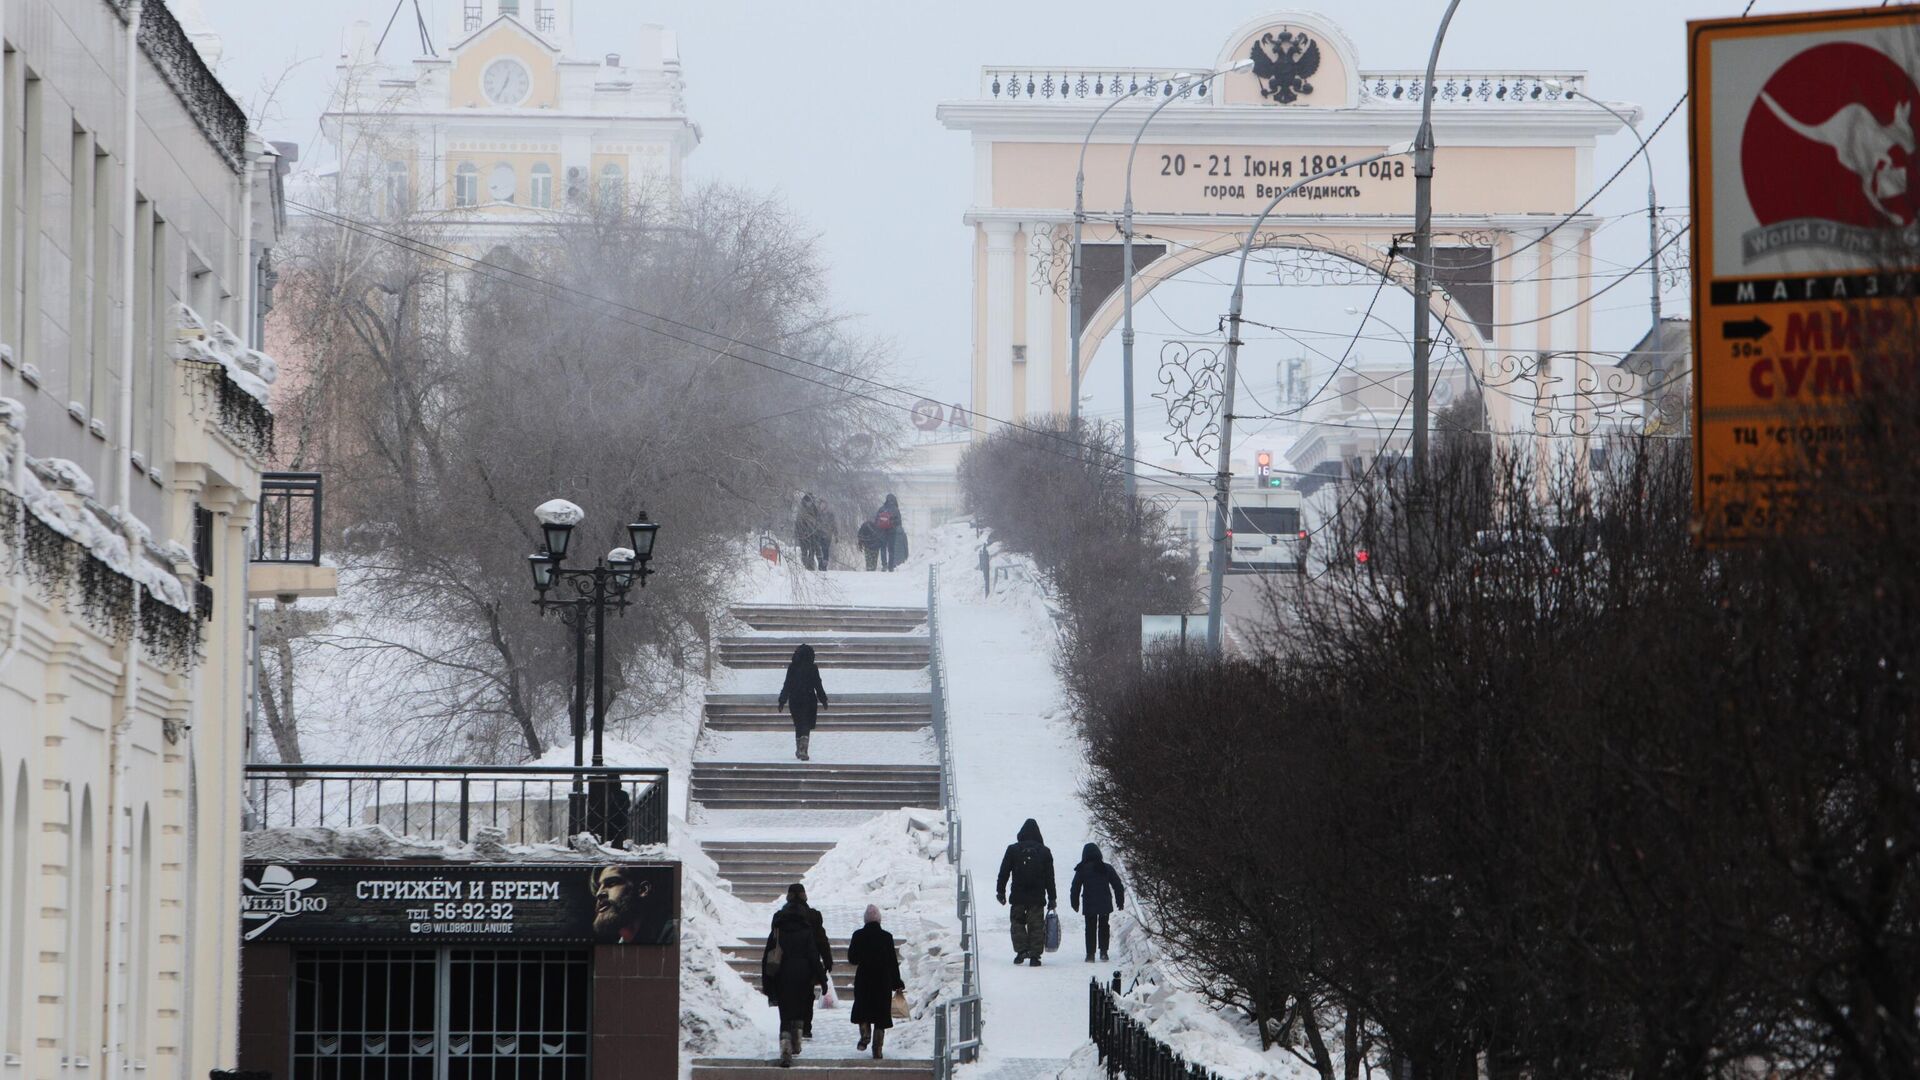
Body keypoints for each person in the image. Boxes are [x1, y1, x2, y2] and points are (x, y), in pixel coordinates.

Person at [762, 884, 829, 1067]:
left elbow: (768, 952)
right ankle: (797, 1039)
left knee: (785, 1013)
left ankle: (785, 1046)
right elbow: (814, 956)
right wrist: (822, 978)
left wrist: (766, 981)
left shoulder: (778, 926)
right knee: (800, 1007)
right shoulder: (807, 930)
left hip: (782, 972)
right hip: (803, 974)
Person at [847, 903, 905, 1059]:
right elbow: (892, 962)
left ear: (865, 920)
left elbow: (852, 958)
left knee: (863, 1008)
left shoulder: (858, 935)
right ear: (879, 920)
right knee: (881, 1014)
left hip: (864, 978)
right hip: (882, 980)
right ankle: (877, 1049)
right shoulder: (886, 937)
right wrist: (897, 982)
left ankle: (865, 1034)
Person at [995, 818, 1056, 966]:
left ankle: (1021, 952)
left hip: (1018, 895)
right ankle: (1035, 956)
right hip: (1037, 896)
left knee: (1017, 923)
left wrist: (1000, 891)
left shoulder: (1013, 849)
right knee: (1036, 925)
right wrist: (1052, 898)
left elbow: (1004, 872)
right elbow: (1050, 877)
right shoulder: (1044, 851)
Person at [1069, 843, 1126, 963]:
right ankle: (1104, 952)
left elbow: (1075, 887)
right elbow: (1117, 885)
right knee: (1104, 926)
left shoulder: (1082, 869)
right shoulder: (1106, 868)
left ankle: (1090, 954)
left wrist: (1075, 903)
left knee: (1090, 928)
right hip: (1104, 902)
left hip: (1089, 902)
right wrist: (1120, 900)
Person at [591, 863, 671, 944]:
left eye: (612, 883)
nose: (598, 893)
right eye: (598, 887)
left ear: (643, 890)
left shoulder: (672, 935)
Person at [777, 644, 830, 761]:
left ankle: (799, 749)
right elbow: (818, 685)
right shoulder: (813, 668)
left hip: (795, 700)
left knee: (798, 724)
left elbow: (787, 684)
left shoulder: (792, 667)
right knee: (806, 724)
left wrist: (782, 700)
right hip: (809, 699)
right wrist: (823, 700)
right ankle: (803, 750)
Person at [873, 494, 907, 572]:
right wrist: (893, 524)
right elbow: (899, 522)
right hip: (892, 532)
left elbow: (876, 521)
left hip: (882, 531)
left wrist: (879, 529)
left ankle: (884, 565)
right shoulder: (895, 509)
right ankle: (891, 567)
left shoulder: (882, 509)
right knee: (891, 549)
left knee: (883, 548)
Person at [794, 495, 824, 571]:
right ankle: (804, 566)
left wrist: (818, 530)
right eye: (808, 501)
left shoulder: (815, 510)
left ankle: (811, 566)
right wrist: (797, 533)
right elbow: (798, 522)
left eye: (810, 501)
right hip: (803, 534)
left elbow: (819, 521)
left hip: (813, 534)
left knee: (812, 551)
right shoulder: (801, 510)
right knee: (804, 551)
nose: (809, 503)